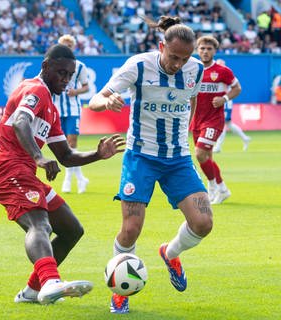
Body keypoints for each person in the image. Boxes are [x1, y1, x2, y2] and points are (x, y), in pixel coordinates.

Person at [89, 16, 213, 314]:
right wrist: (107, 103)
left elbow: (191, 100)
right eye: (173, 57)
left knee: (203, 223)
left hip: (178, 158)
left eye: (184, 58)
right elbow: (94, 100)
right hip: (141, 157)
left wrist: (186, 129)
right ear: (161, 46)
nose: (177, 65)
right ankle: (120, 290)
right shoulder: (138, 65)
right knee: (131, 229)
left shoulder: (195, 70)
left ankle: (170, 253)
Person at [0, 44, 125, 305]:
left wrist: (97, 154)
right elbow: (20, 122)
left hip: (23, 172)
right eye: (61, 72)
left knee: (72, 230)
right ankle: (50, 282)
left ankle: (31, 292)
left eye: (70, 75)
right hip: (6, 170)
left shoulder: (52, 107)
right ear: (45, 67)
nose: (65, 79)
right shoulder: (35, 90)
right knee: (40, 224)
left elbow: (66, 156)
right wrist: (38, 157)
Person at [190, 36, 242, 205]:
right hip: (196, 120)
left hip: (213, 120)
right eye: (202, 48)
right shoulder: (191, 69)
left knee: (199, 153)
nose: (205, 51)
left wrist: (224, 99)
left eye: (209, 49)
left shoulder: (222, 71)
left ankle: (214, 187)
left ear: (214, 51)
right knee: (206, 157)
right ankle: (221, 190)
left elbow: (237, 88)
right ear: (197, 50)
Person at [53, 34, 90, 194]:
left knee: (72, 143)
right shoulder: (52, 65)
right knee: (62, 145)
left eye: (69, 45)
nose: (67, 47)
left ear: (73, 47)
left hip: (73, 109)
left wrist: (76, 91)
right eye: (64, 45)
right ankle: (81, 178)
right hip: (56, 109)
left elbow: (86, 87)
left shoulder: (80, 66)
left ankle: (68, 179)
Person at [213, 59, 251, 153]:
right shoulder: (219, 74)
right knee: (228, 124)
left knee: (222, 123)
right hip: (222, 101)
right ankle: (245, 138)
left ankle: (218, 146)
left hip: (226, 102)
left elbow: (227, 89)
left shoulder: (225, 74)